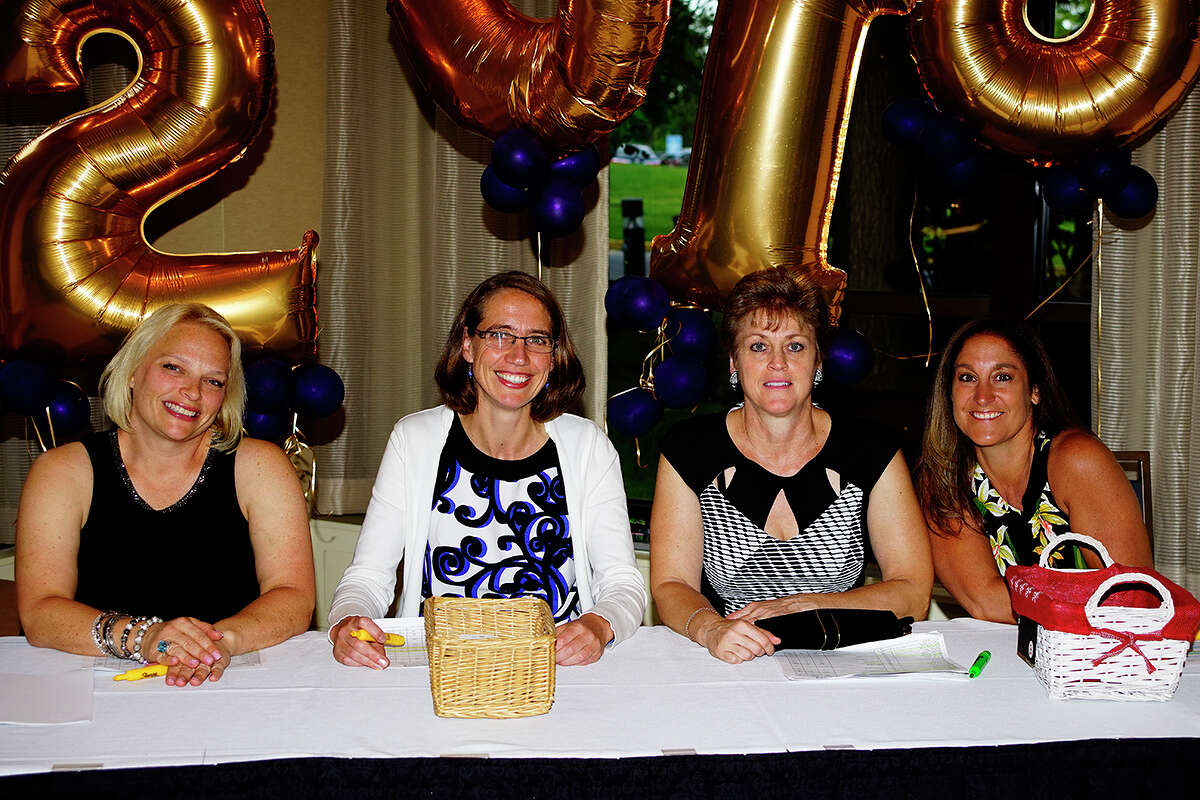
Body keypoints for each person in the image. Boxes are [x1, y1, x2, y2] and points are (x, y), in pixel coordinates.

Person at [329, 271, 645, 668]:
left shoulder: (588, 447)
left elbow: (621, 582)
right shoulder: (415, 440)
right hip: (443, 671)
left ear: (553, 355)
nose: (519, 355)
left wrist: (599, 625)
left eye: (537, 339)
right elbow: (368, 577)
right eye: (499, 334)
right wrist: (347, 621)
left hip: (557, 671)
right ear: (467, 344)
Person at [16, 304, 315, 686]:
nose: (191, 392)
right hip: (99, 685)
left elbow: (293, 596)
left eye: (213, 381)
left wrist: (215, 644)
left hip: (227, 678)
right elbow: (41, 612)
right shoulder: (62, 471)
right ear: (132, 373)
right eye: (173, 367)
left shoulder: (260, 466)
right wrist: (145, 637)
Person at [650, 268, 932, 664]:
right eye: (758, 346)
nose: (778, 363)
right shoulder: (689, 449)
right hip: (725, 663)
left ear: (819, 360)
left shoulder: (872, 450)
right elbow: (670, 583)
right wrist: (711, 629)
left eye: (795, 346)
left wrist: (804, 606)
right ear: (734, 362)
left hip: (840, 662)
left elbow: (914, 593)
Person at [914, 320, 1153, 622]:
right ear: (949, 394)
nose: (983, 396)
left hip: (1097, 655)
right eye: (967, 378)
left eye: (1002, 377)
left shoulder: (1076, 460)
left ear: (1034, 391)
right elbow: (985, 601)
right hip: (1008, 655)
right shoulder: (942, 478)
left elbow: (1133, 597)